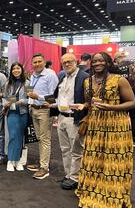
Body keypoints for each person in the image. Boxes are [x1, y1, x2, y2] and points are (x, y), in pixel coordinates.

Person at [75, 52, 135, 208]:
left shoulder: (119, 80)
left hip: (116, 127)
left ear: (108, 62)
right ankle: (93, 191)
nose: (97, 63)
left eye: (101, 60)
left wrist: (111, 107)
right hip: (95, 126)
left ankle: (112, 194)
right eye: (94, 61)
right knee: (94, 161)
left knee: (113, 163)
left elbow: (132, 102)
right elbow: (89, 102)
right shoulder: (88, 82)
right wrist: (83, 106)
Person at [50, 53, 88, 190]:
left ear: (76, 62)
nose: (67, 64)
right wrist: (51, 105)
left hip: (75, 119)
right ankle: (68, 175)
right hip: (62, 117)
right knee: (65, 149)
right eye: (64, 62)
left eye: (69, 61)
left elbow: (88, 100)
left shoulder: (84, 78)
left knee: (76, 150)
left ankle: (75, 178)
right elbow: (59, 98)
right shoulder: (62, 77)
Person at [26, 53, 59, 180]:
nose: (37, 64)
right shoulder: (33, 75)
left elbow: (53, 96)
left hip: (45, 110)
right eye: (35, 62)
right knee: (40, 138)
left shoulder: (50, 75)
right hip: (34, 109)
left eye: (40, 61)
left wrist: (38, 97)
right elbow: (30, 91)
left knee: (45, 139)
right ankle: (42, 163)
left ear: (44, 62)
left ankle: (44, 168)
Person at [2, 62, 29, 171]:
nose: (16, 71)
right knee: (13, 135)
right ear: (11, 71)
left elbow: (30, 99)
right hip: (12, 113)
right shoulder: (8, 83)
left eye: (18, 68)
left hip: (23, 113)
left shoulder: (28, 83)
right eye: (14, 69)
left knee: (19, 136)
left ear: (21, 70)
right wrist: (4, 103)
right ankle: (10, 160)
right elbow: (4, 97)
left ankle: (17, 160)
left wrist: (24, 101)